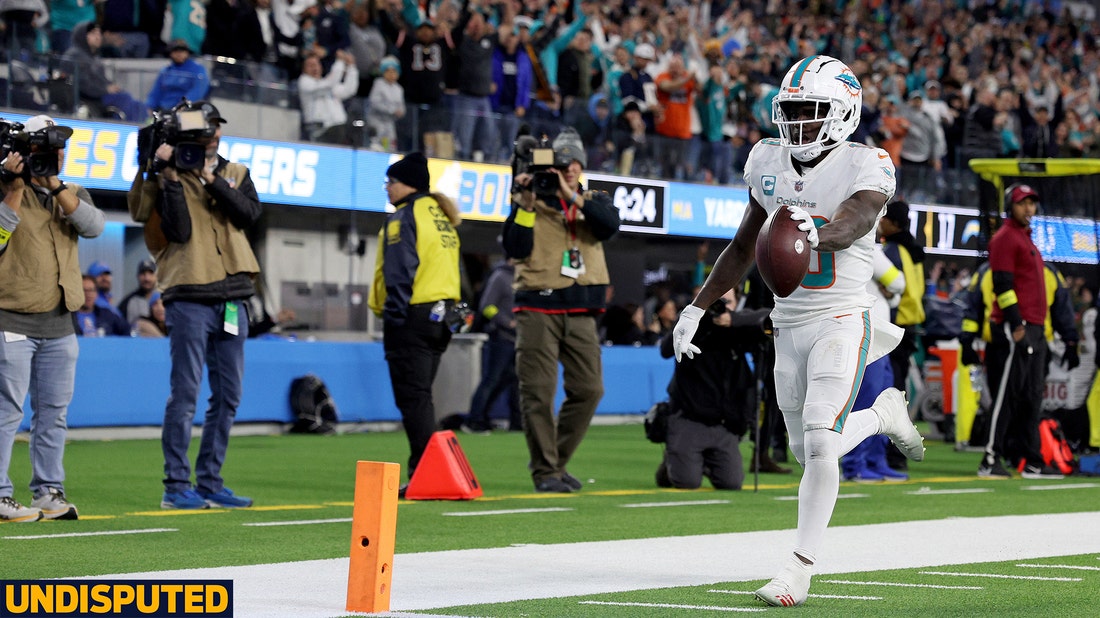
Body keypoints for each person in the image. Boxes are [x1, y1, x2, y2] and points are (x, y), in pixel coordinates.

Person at [670, 56, 923, 607]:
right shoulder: (768, 160)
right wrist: (697, 307)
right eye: (791, 112)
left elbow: (853, 221)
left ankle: (798, 569)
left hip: (842, 316)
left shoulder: (869, 164)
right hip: (787, 321)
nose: (798, 125)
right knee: (806, 449)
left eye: (811, 112)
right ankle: (882, 415)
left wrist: (816, 231)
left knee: (819, 440)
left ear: (843, 113)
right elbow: (742, 247)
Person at [127, 100, 262, 510]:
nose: (211, 135)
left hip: (234, 295)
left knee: (230, 395)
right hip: (188, 296)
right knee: (185, 394)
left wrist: (209, 177)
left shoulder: (235, 172)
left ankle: (209, 482)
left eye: (214, 127)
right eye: (204, 129)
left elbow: (249, 214)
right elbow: (178, 231)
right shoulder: (163, 173)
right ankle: (175, 486)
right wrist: (165, 174)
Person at [502, 127, 621, 493]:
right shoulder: (529, 200)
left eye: (575, 163)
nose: (569, 168)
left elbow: (609, 226)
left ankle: (553, 461)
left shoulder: (593, 199)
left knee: (590, 389)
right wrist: (523, 204)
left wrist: (574, 197)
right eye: (563, 162)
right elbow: (516, 248)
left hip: (582, 307)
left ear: (582, 166)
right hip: (538, 305)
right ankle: (546, 472)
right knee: (538, 391)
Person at [0, 114, 105, 522]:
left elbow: (94, 226)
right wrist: (12, 189)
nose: (56, 156)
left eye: (59, 149)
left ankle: (48, 491)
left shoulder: (71, 192)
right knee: (7, 411)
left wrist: (56, 188)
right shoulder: (6, 190)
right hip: (11, 318)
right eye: (46, 149)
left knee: (53, 412)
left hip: (61, 322)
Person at [367, 152, 462, 495]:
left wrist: (393, 318)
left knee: (414, 400)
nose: (387, 189)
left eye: (390, 181)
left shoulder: (403, 218)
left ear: (407, 183)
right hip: (442, 317)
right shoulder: (440, 215)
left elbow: (399, 272)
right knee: (422, 398)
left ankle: (426, 474)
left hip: (412, 316)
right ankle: (430, 471)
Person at [967, 184, 1073, 480]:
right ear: (1010, 206)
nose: (1029, 209)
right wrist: (1015, 324)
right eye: (1022, 203)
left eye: (1032, 203)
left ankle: (1034, 461)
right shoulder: (1005, 238)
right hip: (1016, 328)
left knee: (1031, 398)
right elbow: (1002, 284)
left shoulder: (1025, 240)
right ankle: (989, 460)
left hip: (1035, 329)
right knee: (1006, 396)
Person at [656, 291, 768, 490]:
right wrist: (695, 319)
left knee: (731, 483)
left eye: (727, 301)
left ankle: (700, 460)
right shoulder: (693, 328)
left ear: (737, 303)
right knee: (687, 482)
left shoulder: (739, 328)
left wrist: (733, 319)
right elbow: (665, 350)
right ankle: (672, 461)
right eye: (714, 301)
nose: (720, 306)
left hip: (724, 424)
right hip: (689, 418)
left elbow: (771, 317)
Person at [877, 199, 925, 467]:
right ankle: (899, 454)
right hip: (910, 328)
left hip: (894, 327)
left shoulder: (893, 250)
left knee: (887, 393)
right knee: (898, 392)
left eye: (884, 218)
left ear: (893, 223)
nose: (880, 221)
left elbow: (889, 287)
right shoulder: (914, 251)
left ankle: (891, 454)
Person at [461, 258, 520, 435]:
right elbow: (486, 306)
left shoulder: (523, 277)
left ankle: (516, 422)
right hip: (501, 338)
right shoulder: (501, 276)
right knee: (492, 379)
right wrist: (506, 322)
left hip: (517, 339)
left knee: (513, 380)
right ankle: (475, 420)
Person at [59, 21, 148, 121]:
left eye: (99, 33)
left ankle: (143, 130)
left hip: (100, 94)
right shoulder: (74, 55)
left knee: (138, 105)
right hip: (89, 98)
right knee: (125, 99)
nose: (98, 37)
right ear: (83, 36)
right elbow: (82, 83)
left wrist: (111, 86)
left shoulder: (93, 56)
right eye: (93, 34)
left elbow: (102, 79)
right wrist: (105, 89)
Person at [298, 49, 360, 144]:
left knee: (360, 127)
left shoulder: (326, 83)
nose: (315, 68)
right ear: (304, 69)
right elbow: (330, 83)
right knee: (341, 130)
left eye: (316, 65)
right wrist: (340, 62)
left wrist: (351, 67)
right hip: (320, 131)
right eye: (310, 66)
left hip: (339, 127)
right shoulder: (304, 82)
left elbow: (349, 90)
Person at [145, 39, 211, 113]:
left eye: (182, 51)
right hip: (165, 109)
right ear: (170, 53)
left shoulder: (198, 69)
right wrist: (150, 106)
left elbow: (198, 90)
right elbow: (156, 91)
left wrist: (183, 105)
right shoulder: (166, 71)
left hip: (187, 111)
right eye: (176, 51)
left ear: (187, 53)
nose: (179, 54)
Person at [365, 56, 405, 152]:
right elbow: (374, 102)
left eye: (394, 71)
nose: (391, 74)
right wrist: (391, 110)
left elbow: (401, 106)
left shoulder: (399, 89)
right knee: (376, 144)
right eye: (388, 71)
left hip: (390, 122)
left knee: (391, 145)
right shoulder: (378, 84)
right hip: (376, 120)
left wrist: (401, 112)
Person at [117, 258, 159, 326]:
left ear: (156, 276)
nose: (147, 278)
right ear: (137, 276)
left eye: (150, 273)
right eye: (143, 274)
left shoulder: (163, 300)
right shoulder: (128, 302)